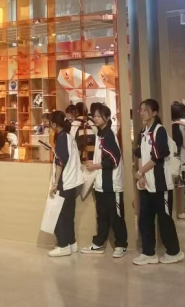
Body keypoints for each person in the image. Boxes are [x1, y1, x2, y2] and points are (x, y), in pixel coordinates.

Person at [133, 99, 184, 266]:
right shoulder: (143, 132)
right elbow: (139, 154)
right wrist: (141, 176)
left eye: (145, 110)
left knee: (164, 219)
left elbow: (158, 157)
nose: (142, 113)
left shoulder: (159, 131)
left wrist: (140, 172)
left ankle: (174, 252)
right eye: (140, 110)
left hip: (161, 185)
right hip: (146, 184)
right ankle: (148, 253)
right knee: (145, 219)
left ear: (154, 112)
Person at [81, 105, 127, 258]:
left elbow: (114, 159)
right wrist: (94, 163)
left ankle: (121, 245)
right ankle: (99, 243)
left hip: (112, 185)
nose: (95, 118)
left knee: (116, 217)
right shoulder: (101, 134)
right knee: (102, 217)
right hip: (101, 184)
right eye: (94, 115)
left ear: (107, 117)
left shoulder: (108, 135)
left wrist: (95, 166)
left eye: (99, 116)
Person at [47, 111, 84, 257]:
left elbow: (60, 162)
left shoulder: (62, 138)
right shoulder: (68, 136)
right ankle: (71, 243)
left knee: (59, 215)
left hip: (65, 182)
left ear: (54, 124)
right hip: (73, 182)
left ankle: (63, 245)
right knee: (68, 215)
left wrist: (55, 184)